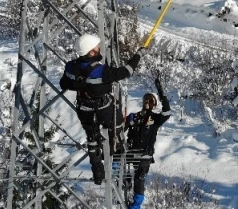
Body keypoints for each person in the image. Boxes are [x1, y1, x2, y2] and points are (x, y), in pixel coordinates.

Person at [60, 33, 142, 185]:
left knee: (92, 138)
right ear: (91, 52)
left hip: (84, 109)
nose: (99, 49)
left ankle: (98, 172)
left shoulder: (71, 67)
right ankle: (115, 144)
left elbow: (64, 84)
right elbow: (127, 71)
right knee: (115, 120)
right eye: (96, 47)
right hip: (103, 109)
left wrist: (80, 85)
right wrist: (138, 55)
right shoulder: (101, 71)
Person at [124, 75, 170, 209]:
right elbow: (120, 130)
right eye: (146, 99)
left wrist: (160, 91)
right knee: (117, 162)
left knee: (139, 178)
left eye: (151, 100)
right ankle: (124, 183)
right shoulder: (134, 116)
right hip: (131, 152)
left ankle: (137, 204)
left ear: (154, 104)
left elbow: (167, 112)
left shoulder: (155, 118)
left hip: (145, 155)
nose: (148, 102)